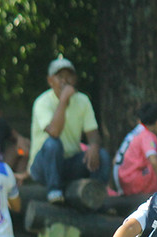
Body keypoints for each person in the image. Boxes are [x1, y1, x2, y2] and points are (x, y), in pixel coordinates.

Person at [28, 57, 111, 204]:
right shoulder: (42, 102)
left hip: (69, 163)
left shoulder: (83, 100)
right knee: (53, 143)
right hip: (43, 166)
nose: (64, 81)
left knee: (102, 155)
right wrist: (63, 100)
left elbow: (93, 134)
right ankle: (54, 191)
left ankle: (97, 197)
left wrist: (93, 146)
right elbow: (54, 132)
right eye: (60, 77)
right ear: (50, 81)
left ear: (75, 80)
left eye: (69, 77)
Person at [112, 102, 157, 195]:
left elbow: (115, 161)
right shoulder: (147, 135)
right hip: (136, 183)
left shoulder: (134, 133)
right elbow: (153, 161)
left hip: (124, 182)